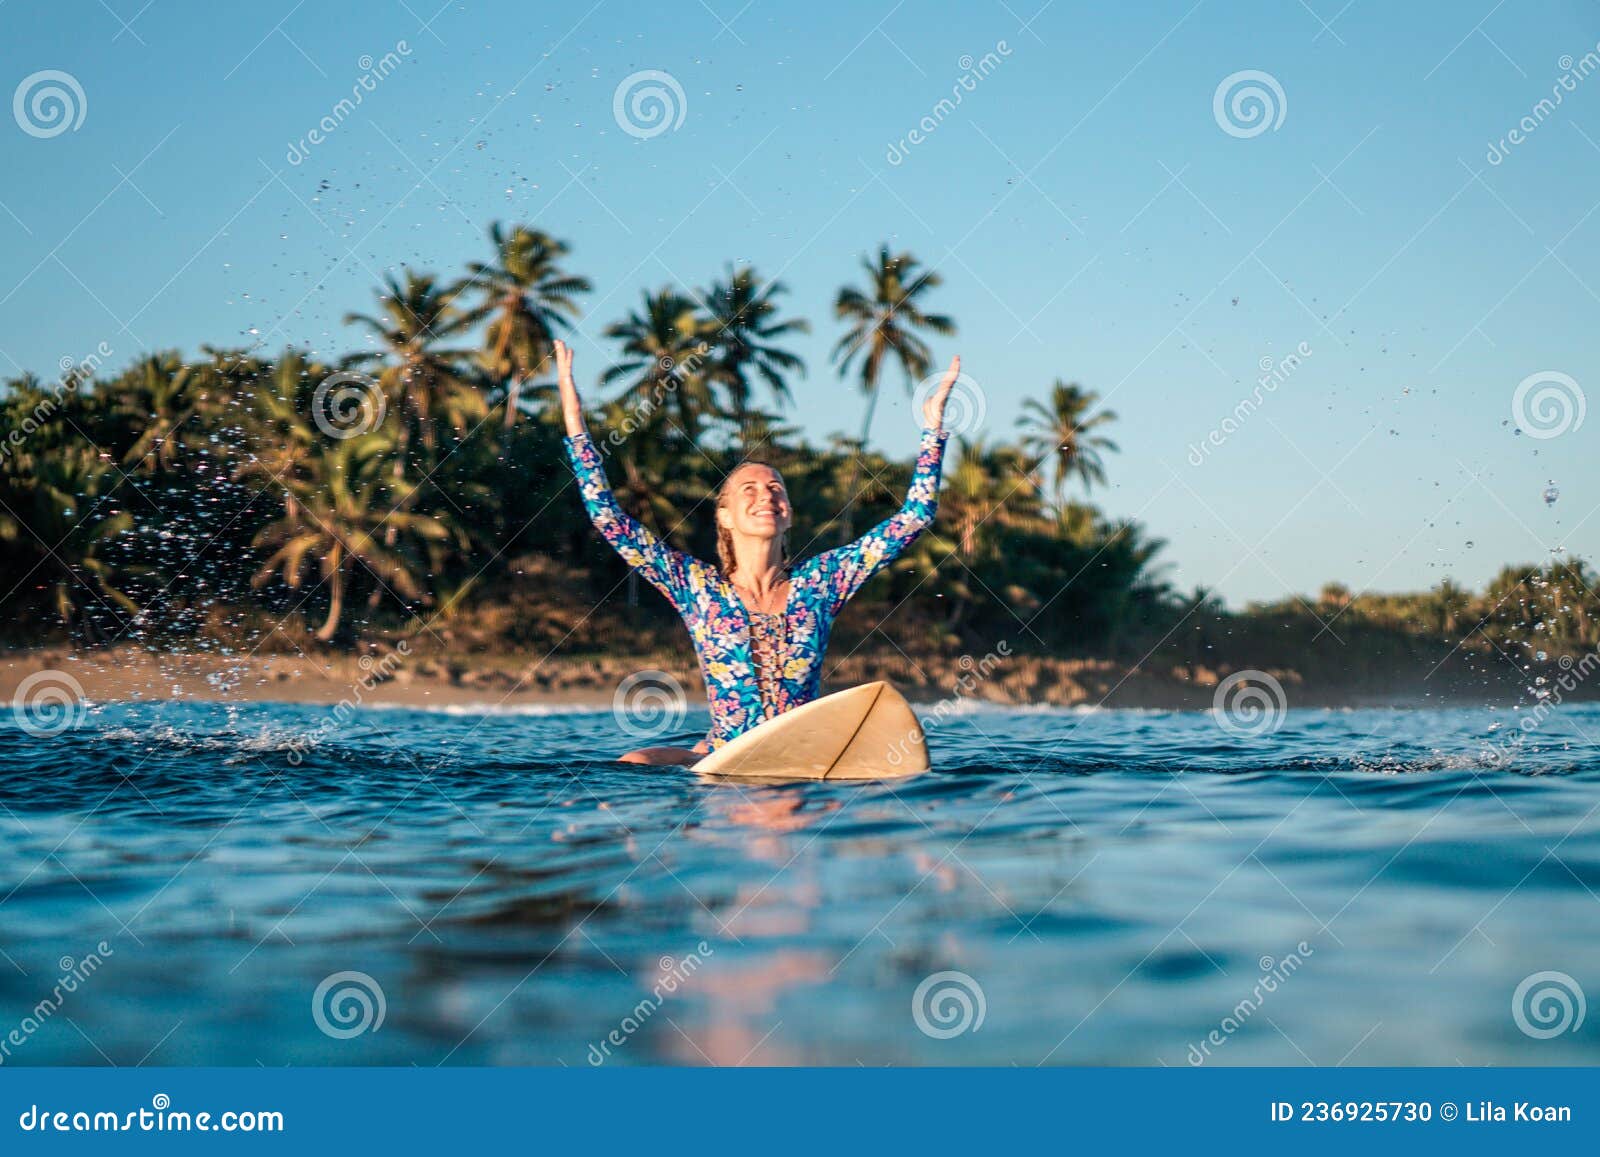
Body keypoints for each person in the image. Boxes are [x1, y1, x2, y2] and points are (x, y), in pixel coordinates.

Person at [555, 339, 958, 765]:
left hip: (799, 749)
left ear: (787, 515)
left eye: (775, 489)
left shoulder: (820, 582)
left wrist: (933, 430)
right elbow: (608, 519)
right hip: (727, 754)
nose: (765, 496)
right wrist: (575, 421)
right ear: (725, 517)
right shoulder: (698, 588)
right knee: (633, 762)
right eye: (749, 490)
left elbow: (914, 518)